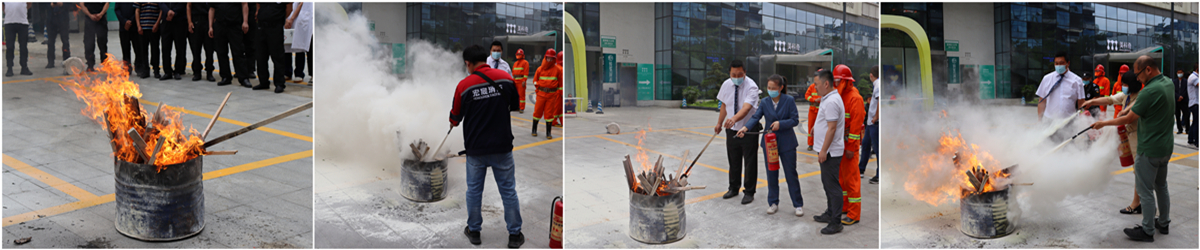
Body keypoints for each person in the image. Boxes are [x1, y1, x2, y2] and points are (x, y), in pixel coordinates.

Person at [1090, 55, 1174, 242]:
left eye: (1138, 74)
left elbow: (1128, 118)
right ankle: (1164, 222)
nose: (1137, 79)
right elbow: (1115, 100)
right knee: (1161, 186)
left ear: (1148, 70)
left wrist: (1103, 124)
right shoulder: (1168, 82)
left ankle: (1147, 230)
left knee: (1145, 190)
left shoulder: (1148, 92)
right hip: (1165, 146)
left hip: (1148, 148)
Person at [450, 44, 524, 248]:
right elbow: (515, 105)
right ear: (487, 57)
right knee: (508, 191)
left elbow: (455, 118)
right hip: (502, 147)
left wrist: (453, 121)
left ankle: (474, 231)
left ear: (468, 63)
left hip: (476, 150)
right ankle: (515, 235)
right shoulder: (506, 79)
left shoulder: (464, 86)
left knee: (474, 192)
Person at [737, 74, 804, 216]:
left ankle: (798, 204)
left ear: (781, 88)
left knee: (791, 174)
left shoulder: (789, 100)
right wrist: (745, 128)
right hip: (770, 144)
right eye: (769, 87)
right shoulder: (765, 102)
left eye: (774, 88)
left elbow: (795, 120)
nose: (771, 90)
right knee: (771, 173)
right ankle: (773, 202)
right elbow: (756, 117)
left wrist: (781, 124)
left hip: (787, 143)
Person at [1084, 73, 1143, 215]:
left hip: (1138, 138)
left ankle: (1137, 204)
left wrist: (1102, 124)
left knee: (1139, 172)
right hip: (1128, 137)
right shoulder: (1126, 96)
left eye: (1126, 85)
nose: (1123, 87)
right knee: (1137, 171)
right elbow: (1110, 99)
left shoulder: (1140, 97)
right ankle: (1139, 202)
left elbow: (1126, 119)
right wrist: (1093, 102)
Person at [716, 60, 761, 204]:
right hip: (732, 130)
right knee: (733, 160)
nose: (736, 77)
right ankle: (733, 188)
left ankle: (749, 191)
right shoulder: (726, 84)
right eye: (733, 74)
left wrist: (734, 119)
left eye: (739, 74)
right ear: (729, 73)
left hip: (748, 129)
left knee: (750, 162)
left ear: (745, 73)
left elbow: (747, 108)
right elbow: (724, 104)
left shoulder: (752, 87)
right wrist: (719, 123)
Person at [811, 69, 845, 235]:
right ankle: (830, 212)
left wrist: (823, 150)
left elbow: (832, 129)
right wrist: (815, 128)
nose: (814, 88)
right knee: (827, 184)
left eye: (816, 84)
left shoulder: (831, 101)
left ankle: (836, 221)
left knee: (832, 186)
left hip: (830, 152)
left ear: (826, 83)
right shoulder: (828, 98)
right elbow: (826, 122)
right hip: (827, 150)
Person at [833, 64, 864, 226]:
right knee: (842, 178)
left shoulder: (855, 98)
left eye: (837, 80)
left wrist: (852, 147)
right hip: (840, 144)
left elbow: (856, 127)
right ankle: (845, 207)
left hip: (849, 145)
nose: (835, 83)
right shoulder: (839, 95)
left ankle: (854, 213)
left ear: (845, 81)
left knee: (851, 179)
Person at [1036, 52, 1086, 125]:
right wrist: (1040, 120)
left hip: (1069, 121)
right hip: (1049, 120)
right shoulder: (1047, 79)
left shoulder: (1077, 81)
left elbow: (1081, 102)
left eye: (1061, 63)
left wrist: (1081, 119)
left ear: (1068, 63)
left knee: (1068, 137)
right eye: (1056, 63)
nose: (1059, 66)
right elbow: (1042, 100)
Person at [252, 2, 292, 93]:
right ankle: (263, 82)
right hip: (261, 26)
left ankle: (279, 83)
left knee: (277, 56)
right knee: (260, 55)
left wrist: (279, 17)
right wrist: (258, 11)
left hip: (275, 26)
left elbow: (289, 8)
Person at [209, 3, 251, 86]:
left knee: (238, 52)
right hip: (220, 25)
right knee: (221, 52)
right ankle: (225, 77)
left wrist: (245, 21)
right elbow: (212, 9)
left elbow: (244, 4)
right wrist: (210, 26)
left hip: (234, 25)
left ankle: (243, 78)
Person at [530, 49, 560, 139]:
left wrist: (556, 92)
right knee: (537, 111)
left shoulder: (557, 70)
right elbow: (535, 80)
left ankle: (548, 132)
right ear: (545, 57)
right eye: (548, 58)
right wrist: (538, 89)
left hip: (551, 95)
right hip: (541, 94)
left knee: (549, 114)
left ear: (554, 59)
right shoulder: (540, 69)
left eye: (551, 58)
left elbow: (560, 83)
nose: (549, 60)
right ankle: (534, 129)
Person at [187, 2, 216, 81]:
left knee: (209, 49)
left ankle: (209, 72)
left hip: (208, 20)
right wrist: (189, 22)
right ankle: (197, 72)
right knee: (196, 49)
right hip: (196, 20)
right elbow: (189, 5)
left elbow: (214, 7)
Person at [862, 66, 881, 184]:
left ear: (871, 75)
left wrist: (876, 117)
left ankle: (879, 175)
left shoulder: (878, 85)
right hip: (870, 123)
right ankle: (860, 169)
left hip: (875, 123)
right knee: (865, 145)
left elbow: (879, 100)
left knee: (877, 149)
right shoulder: (876, 85)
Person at [159, 2, 187, 80]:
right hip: (166, 21)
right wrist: (167, 11)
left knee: (180, 47)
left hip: (179, 21)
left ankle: (178, 71)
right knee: (165, 47)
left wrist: (173, 12)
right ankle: (167, 71)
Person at [78, 2, 108, 72]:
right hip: (89, 20)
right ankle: (90, 64)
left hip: (101, 19)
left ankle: (105, 64)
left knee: (103, 42)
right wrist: (90, 15)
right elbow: (82, 4)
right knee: (89, 43)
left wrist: (101, 14)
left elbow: (107, 3)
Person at [4, 2, 33, 76]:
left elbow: (29, 4)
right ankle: (9, 68)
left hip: (22, 22)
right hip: (9, 22)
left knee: (23, 46)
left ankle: (24, 67)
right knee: (10, 47)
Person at [135, 2, 163, 79]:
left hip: (154, 28)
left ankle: (156, 70)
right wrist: (138, 26)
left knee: (155, 50)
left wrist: (157, 24)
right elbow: (137, 11)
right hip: (143, 28)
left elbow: (161, 10)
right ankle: (145, 71)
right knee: (143, 50)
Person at [286, 2, 312, 83]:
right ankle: (287, 71)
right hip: (288, 17)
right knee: (286, 46)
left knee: (299, 47)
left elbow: (301, 3)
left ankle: (299, 73)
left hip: (298, 18)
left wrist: (291, 19)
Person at [44, 2, 74, 71]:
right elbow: (42, 5)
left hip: (63, 18)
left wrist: (62, 4)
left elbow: (71, 5)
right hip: (51, 19)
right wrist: (50, 5)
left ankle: (66, 60)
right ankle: (50, 62)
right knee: (50, 42)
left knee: (65, 41)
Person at [115, 2, 139, 74]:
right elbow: (117, 10)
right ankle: (127, 67)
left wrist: (131, 21)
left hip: (135, 27)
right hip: (123, 27)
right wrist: (124, 21)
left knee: (137, 48)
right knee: (125, 49)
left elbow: (138, 9)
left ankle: (138, 67)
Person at [804, 67, 823, 152]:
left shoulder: (826, 86)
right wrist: (814, 100)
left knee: (822, 128)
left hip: (822, 111)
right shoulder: (812, 86)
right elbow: (807, 96)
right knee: (811, 127)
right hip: (813, 110)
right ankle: (810, 144)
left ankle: (821, 143)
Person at [511, 49, 529, 113]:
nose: (518, 55)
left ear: (522, 55)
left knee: (521, 95)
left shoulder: (525, 63)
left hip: (521, 82)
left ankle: (521, 108)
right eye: (518, 54)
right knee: (516, 95)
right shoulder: (515, 63)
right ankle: (517, 107)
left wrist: (524, 80)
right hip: (515, 81)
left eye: (520, 54)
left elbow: (526, 72)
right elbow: (513, 72)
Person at [1175, 70, 1190, 134]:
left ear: (1183, 73)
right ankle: (1180, 129)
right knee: (1177, 116)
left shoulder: (1186, 81)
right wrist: (1178, 96)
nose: (1179, 74)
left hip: (1184, 101)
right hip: (1177, 101)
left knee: (1186, 115)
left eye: (1181, 72)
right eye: (1178, 73)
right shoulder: (1174, 81)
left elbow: (1187, 90)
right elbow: (1173, 90)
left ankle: (1187, 129)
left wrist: (1182, 97)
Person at [1189, 66, 1198, 147]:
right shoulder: (1194, 77)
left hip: (1195, 103)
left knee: (1195, 122)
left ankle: (1191, 139)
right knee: (1197, 123)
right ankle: (1196, 141)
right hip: (1194, 103)